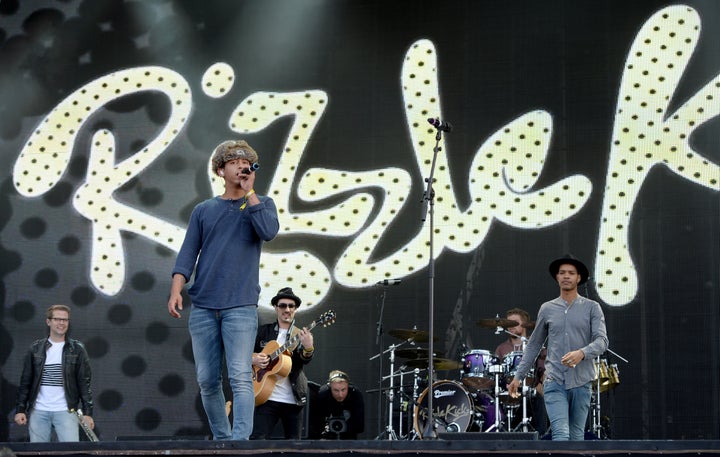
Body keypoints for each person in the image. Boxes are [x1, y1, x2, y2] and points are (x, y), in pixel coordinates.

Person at [167, 139, 279, 440]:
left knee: (241, 376)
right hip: (203, 306)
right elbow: (188, 254)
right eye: (234, 161)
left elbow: (269, 231)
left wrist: (250, 191)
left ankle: (239, 442)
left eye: (247, 162)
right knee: (207, 380)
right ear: (220, 170)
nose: (242, 165)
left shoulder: (262, 204)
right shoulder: (204, 210)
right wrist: (177, 288)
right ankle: (222, 440)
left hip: (240, 306)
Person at [508, 255, 608, 441]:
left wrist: (582, 353)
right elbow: (534, 345)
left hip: (582, 381)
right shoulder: (547, 308)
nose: (566, 276)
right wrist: (518, 376)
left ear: (579, 278)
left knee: (577, 437)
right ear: (557, 277)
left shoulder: (592, 308)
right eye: (562, 273)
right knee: (561, 435)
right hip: (555, 380)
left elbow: (602, 341)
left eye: (571, 273)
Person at [14, 304, 94, 442]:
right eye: (57, 319)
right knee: (38, 453)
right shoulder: (35, 349)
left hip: (66, 411)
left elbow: (84, 382)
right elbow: (26, 381)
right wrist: (20, 409)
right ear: (48, 321)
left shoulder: (77, 349)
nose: (61, 323)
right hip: (38, 410)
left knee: (71, 452)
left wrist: (88, 413)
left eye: (65, 320)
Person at [251, 287, 314, 439]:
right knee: (257, 441)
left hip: (293, 399)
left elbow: (302, 361)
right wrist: (252, 359)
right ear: (276, 307)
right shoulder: (263, 331)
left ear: (295, 309)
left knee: (294, 446)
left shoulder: (300, 335)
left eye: (291, 306)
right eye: (283, 305)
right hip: (265, 396)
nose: (287, 309)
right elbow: (241, 353)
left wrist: (308, 348)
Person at [494, 308, 547, 436]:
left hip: (532, 392)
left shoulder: (535, 344)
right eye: (508, 323)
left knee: (541, 398)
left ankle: (541, 438)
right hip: (509, 392)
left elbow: (546, 369)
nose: (510, 326)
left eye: (514, 323)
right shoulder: (501, 348)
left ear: (524, 325)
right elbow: (496, 374)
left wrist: (541, 385)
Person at [311, 370, 365, 440]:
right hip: (325, 438)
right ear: (330, 387)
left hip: (349, 437)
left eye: (343, 390)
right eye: (336, 390)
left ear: (348, 386)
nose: (340, 395)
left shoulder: (355, 394)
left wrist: (343, 427)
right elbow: (315, 423)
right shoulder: (323, 395)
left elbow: (359, 426)